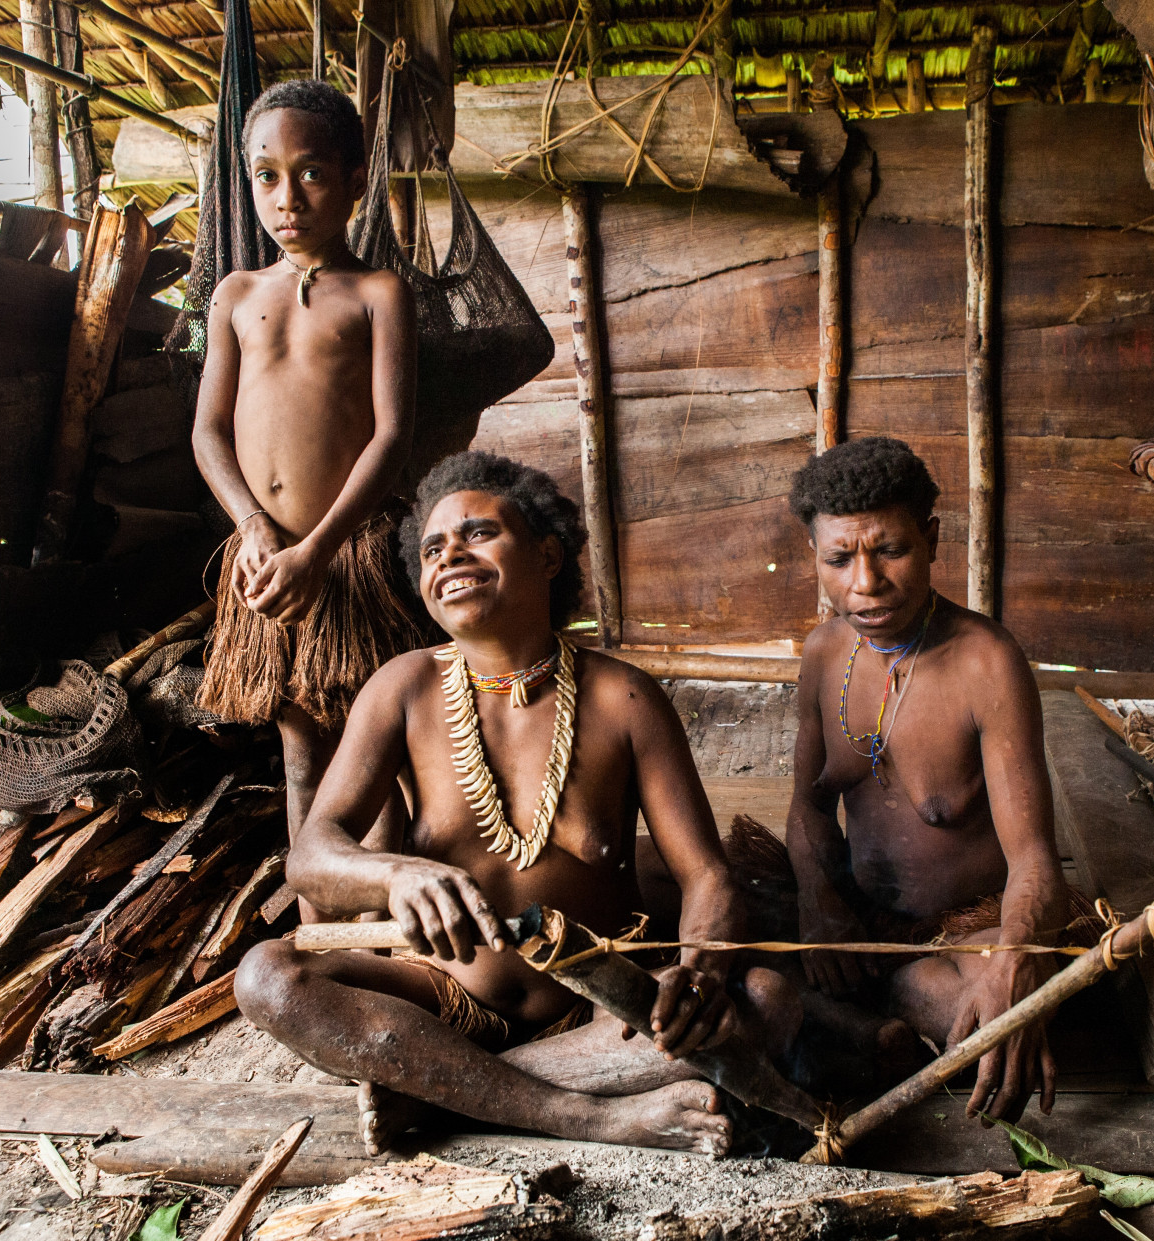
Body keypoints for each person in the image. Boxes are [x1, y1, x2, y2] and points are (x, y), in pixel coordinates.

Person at [235, 452, 800, 1156]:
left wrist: (699, 973)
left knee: (766, 1002)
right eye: (434, 548)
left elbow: (707, 876)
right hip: (440, 1005)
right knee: (267, 976)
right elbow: (312, 856)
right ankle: (590, 1115)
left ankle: (444, 1092)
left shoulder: (624, 698)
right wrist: (395, 874)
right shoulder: (402, 688)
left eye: (477, 533)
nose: (451, 556)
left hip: (599, 1012)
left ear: (548, 553)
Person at [783, 436, 1074, 1123]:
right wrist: (818, 899)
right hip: (858, 919)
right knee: (715, 930)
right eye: (839, 558)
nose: (866, 581)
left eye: (890, 549)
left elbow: (1034, 855)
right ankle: (866, 1010)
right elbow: (809, 804)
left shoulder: (987, 663)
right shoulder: (825, 653)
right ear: (815, 558)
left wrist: (1015, 958)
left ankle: (872, 1015)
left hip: (964, 928)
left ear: (932, 539)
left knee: (984, 1016)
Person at [191, 79, 421, 882]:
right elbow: (207, 432)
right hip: (267, 562)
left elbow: (393, 434)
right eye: (266, 176)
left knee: (374, 742)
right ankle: (320, 908)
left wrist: (320, 548)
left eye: (312, 172)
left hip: (349, 556)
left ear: (357, 179)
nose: (286, 197)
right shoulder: (235, 296)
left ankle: (390, 908)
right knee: (296, 743)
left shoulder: (379, 294)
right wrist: (256, 531)